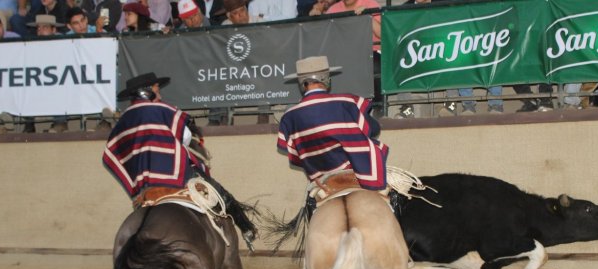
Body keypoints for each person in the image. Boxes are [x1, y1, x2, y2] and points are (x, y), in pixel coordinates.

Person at [102, 72, 257, 249]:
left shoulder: (124, 121)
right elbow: (185, 137)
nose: (159, 94)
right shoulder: (161, 110)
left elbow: (112, 154)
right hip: (173, 174)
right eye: (156, 89)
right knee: (219, 192)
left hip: (143, 186)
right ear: (146, 92)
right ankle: (246, 228)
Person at [278, 56, 388, 195]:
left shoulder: (289, 116)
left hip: (322, 182)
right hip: (355, 174)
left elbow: (295, 154)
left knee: (310, 206)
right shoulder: (346, 102)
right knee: (394, 196)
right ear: (326, 79)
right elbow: (373, 129)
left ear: (302, 83)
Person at [326, 0, 383, 117]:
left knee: (376, 64)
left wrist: (368, 16)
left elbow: (382, 34)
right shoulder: (333, 9)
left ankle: (378, 106)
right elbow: (326, 37)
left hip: (370, 52)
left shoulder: (371, 4)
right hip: (344, 55)